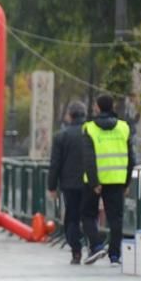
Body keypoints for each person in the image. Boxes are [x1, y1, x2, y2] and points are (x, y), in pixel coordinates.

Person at [81, 94, 135, 266]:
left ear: (97, 107)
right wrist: (126, 182)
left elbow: (89, 159)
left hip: (95, 181)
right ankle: (115, 256)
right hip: (117, 180)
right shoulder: (124, 128)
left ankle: (96, 245)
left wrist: (95, 182)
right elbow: (131, 158)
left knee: (87, 214)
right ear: (112, 106)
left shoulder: (89, 128)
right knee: (116, 219)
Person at [47, 101, 88, 264]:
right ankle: (93, 246)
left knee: (71, 216)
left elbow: (55, 163)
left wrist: (52, 186)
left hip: (69, 184)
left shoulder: (60, 136)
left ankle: (76, 251)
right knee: (88, 215)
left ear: (69, 116)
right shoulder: (91, 133)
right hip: (90, 182)